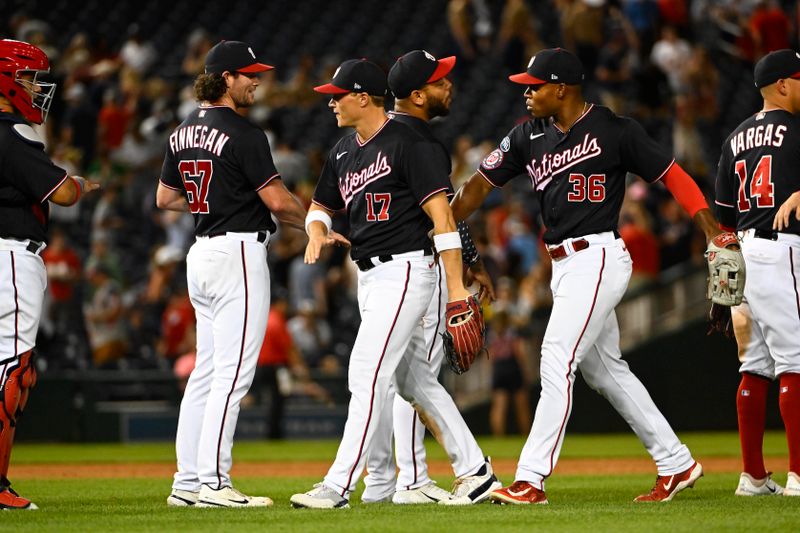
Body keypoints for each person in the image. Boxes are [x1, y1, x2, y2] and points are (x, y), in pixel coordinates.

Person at [450, 48, 727, 504]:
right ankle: (676, 463)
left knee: (556, 357)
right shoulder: (526, 136)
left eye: (535, 86)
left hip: (598, 255)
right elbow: (478, 186)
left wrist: (710, 229)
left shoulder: (614, 129)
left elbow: (671, 173)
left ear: (561, 88)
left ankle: (531, 478)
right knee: (606, 370)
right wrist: (441, 223)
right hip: (563, 266)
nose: (527, 93)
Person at [290, 58, 500, 509]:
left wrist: (457, 287)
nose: (331, 103)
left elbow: (443, 217)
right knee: (415, 381)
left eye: (338, 96)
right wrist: (315, 228)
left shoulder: (410, 142)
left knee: (366, 372)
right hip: (368, 276)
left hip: (406, 269)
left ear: (363, 97)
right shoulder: (344, 150)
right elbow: (319, 205)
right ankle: (476, 472)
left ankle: (338, 485)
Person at [156, 40, 329, 508]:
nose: (257, 80)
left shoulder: (180, 132)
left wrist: (217, 195)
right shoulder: (245, 133)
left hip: (201, 253)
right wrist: (316, 222)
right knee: (232, 376)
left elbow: (166, 199)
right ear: (226, 78)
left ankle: (187, 482)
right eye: (249, 74)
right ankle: (213, 483)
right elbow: (276, 202)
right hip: (237, 255)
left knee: (206, 374)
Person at [361, 49, 496, 505]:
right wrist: (461, 277)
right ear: (417, 95)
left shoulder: (385, 136)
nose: (448, 85)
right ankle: (414, 477)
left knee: (408, 376)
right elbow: (440, 217)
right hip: (418, 267)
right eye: (440, 81)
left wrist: (472, 258)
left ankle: (409, 477)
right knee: (416, 375)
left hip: (388, 267)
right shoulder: (418, 142)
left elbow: (442, 212)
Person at [0, 39, 100, 510]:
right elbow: (61, 194)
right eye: (29, 78)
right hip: (11, 257)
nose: (37, 88)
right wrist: (78, 183)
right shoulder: (10, 130)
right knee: (14, 369)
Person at [713, 49, 800, 497]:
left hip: (742, 255)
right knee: (795, 362)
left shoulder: (734, 138)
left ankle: (753, 475)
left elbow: (724, 220)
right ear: (783, 85)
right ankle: (799, 476)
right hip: (782, 249)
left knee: (756, 366)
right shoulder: (798, 127)